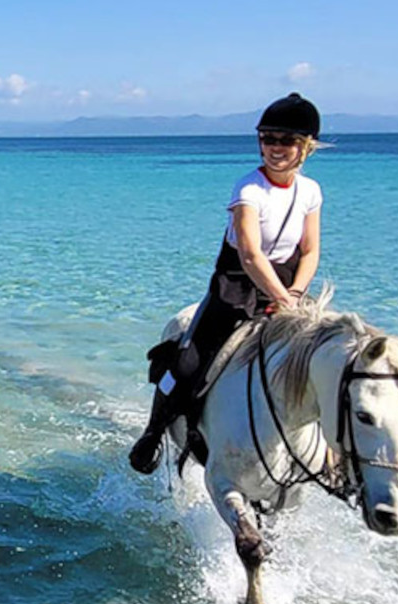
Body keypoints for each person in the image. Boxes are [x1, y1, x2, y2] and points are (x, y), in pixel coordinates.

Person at [129, 93, 324, 474]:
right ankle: (152, 434)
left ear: (306, 147)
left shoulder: (311, 191)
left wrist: (295, 296)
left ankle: (334, 456)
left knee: (329, 363)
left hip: (289, 290)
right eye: (268, 138)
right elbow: (250, 255)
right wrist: (282, 298)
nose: (275, 148)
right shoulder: (248, 190)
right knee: (185, 366)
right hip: (235, 289)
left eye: (286, 140)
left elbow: (311, 250)